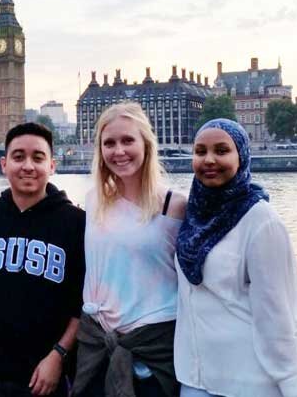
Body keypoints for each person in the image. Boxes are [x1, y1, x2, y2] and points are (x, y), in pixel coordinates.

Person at [175, 119, 297, 397]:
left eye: (221, 150)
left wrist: (292, 381)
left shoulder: (261, 220)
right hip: (195, 379)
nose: (209, 160)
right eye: (200, 151)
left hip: (249, 381)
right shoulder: (193, 214)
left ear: (241, 156)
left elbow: (277, 311)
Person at [0, 122, 85, 397]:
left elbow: (82, 302)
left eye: (37, 158)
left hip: (47, 374)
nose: (27, 166)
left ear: (52, 165)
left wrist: (59, 355)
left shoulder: (76, 223)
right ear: (4, 164)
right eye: (18, 157)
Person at [73, 102, 186, 397]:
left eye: (127, 141)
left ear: (146, 144)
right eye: (109, 143)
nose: (118, 151)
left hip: (151, 348)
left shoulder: (175, 206)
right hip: (97, 343)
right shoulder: (94, 200)